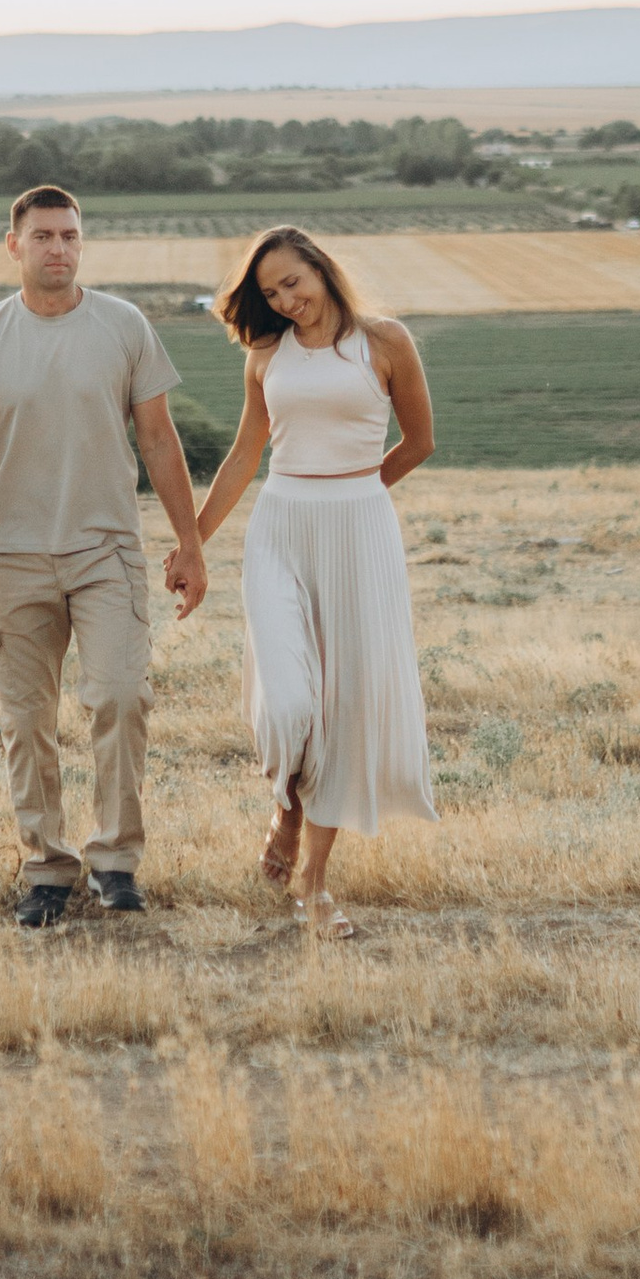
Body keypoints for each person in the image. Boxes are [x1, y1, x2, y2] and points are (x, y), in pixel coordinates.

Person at [0, 184, 208, 928]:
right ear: (13, 244)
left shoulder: (124, 326)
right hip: (12, 554)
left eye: (71, 236)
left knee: (119, 694)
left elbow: (158, 439)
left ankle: (115, 862)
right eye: (45, 235)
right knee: (26, 719)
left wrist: (190, 542)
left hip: (107, 547)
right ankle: (46, 869)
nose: (59, 248)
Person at [192, 225, 436, 937]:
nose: (286, 300)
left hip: (360, 533)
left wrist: (358, 492)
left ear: (322, 270)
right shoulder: (266, 355)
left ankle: (315, 884)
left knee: (346, 708)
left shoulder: (385, 342)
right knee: (292, 701)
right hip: (281, 529)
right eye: (271, 293)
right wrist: (192, 544)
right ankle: (287, 806)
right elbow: (245, 454)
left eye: (293, 282)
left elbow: (420, 442)